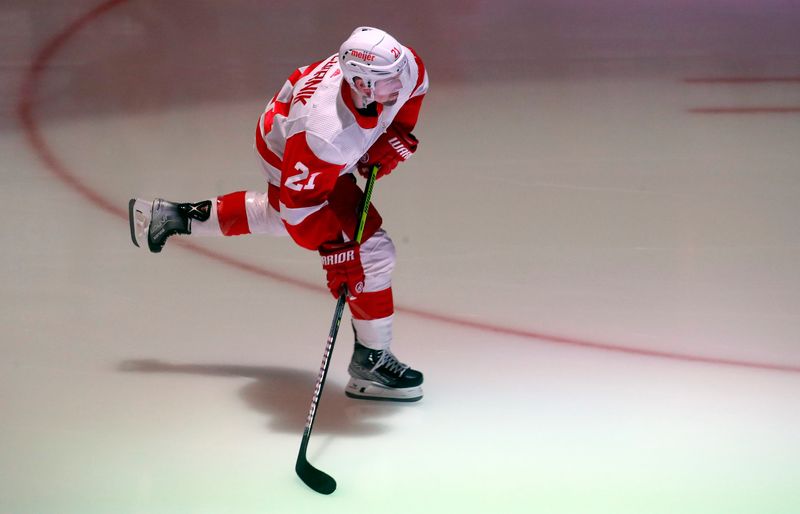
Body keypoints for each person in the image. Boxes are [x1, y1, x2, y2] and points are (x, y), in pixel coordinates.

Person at [128, 27, 428, 402]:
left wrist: (395, 134)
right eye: (387, 83)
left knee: (279, 216)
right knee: (372, 253)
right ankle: (371, 363)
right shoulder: (325, 136)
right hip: (286, 150)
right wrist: (337, 253)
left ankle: (171, 216)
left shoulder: (402, 68)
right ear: (362, 84)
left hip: (293, 122)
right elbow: (301, 215)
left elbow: (414, 87)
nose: (398, 85)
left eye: (398, 74)